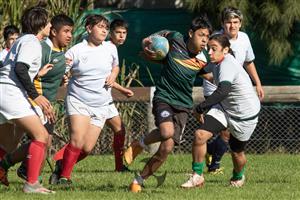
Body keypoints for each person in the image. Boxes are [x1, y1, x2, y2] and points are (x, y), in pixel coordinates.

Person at [123, 15, 212, 192]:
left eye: (207, 37)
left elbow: (209, 75)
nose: (204, 40)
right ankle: (140, 143)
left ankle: (138, 181)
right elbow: (158, 36)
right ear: (190, 33)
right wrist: (147, 41)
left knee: (167, 148)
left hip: (184, 104)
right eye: (201, 35)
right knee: (167, 131)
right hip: (164, 97)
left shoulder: (203, 58)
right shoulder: (176, 38)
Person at [52, 14, 133, 185]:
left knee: (87, 149)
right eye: (100, 27)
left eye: (105, 27)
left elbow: (116, 66)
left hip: (101, 105)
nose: (104, 30)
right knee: (77, 140)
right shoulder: (75, 51)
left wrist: (113, 75)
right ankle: (65, 178)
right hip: (78, 101)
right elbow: (62, 72)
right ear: (89, 29)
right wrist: (63, 77)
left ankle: (61, 164)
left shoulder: (110, 48)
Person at [181, 33, 260, 188]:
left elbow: (223, 91)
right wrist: (189, 67)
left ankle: (238, 177)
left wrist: (200, 108)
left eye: (213, 49)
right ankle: (197, 176)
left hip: (245, 116)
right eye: (208, 48)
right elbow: (211, 78)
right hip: (225, 108)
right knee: (200, 135)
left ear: (225, 50)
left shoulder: (227, 64)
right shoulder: (219, 63)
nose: (209, 52)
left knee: (237, 152)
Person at [9, 14, 74, 183]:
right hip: (35, 100)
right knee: (41, 138)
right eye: (66, 31)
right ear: (52, 31)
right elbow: (26, 73)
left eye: (71, 32)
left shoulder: (62, 53)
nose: (69, 35)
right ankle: (22, 171)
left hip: (45, 102)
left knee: (44, 140)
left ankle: (24, 171)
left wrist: (62, 79)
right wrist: (38, 98)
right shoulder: (41, 47)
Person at [0, 6, 55, 194]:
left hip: (6, 93)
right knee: (42, 136)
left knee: (6, 144)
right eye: (48, 22)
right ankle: (31, 184)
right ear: (41, 24)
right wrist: (36, 96)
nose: (50, 25)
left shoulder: (23, 40)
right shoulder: (32, 41)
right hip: (10, 93)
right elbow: (21, 69)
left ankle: (2, 168)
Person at [204, 7, 264, 174]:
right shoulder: (214, 40)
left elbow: (249, 62)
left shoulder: (244, 38)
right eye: (228, 22)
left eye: (236, 22)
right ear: (222, 24)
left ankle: (211, 155)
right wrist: (211, 78)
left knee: (226, 135)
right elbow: (200, 64)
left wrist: (257, 83)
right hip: (216, 91)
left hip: (235, 95)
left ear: (241, 23)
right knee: (221, 131)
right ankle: (211, 163)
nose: (232, 26)